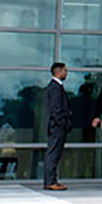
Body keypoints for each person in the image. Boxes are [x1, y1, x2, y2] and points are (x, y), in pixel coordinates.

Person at [43, 62, 72, 191]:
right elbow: (56, 109)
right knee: (53, 153)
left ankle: (52, 179)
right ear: (58, 72)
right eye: (65, 71)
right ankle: (50, 181)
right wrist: (63, 123)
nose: (66, 73)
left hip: (57, 125)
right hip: (57, 127)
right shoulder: (55, 87)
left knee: (55, 153)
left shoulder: (57, 87)